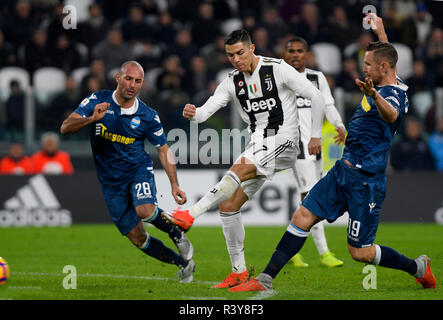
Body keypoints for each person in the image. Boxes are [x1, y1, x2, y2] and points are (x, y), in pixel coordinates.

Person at [230, 14, 436, 292]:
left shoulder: (392, 95)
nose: (363, 69)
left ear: (383, 68)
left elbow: (392, 115)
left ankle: (418, 268)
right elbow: (387, 56)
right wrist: (381, 31)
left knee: (360, 252)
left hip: (366, 182)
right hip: (343, 170)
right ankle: (264, 279)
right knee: (301, 217)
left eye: (368, 65)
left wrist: (374, 96)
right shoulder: (388, 75)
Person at [162, 29, 326, 288]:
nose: (236, 59)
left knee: (238, 168)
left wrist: (315, 135)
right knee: (228, 206)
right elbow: (205, 112)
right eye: (230, 55)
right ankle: (239, 271)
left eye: (240, 52)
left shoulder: (278, 68)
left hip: (284, 141)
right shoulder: (231, 82)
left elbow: (316, 97)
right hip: (258, 144)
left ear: (251, 49)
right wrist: (193, 113)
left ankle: (190, 214)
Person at [60, 61, 195, 283]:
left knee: (144, 209)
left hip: (137, 170)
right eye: (129, 79)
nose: (132, 85)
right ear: (118, 78)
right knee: (137, 237)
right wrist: (92, 119)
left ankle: (175, 232)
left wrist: (174, 185)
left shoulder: (147, 115)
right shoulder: (97, 100)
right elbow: (65, 127)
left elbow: (163, 150)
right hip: (110, 181)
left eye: (138, 81)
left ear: (142, 84)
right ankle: (183, 265)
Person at [283, 36, 345, 268]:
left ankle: (291, 250)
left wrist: (339, 125)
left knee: (307, 198)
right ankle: (324, 252)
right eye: (292, 51)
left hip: (315, 146)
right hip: (295, 147)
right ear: (286, 54)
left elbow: (328, 104)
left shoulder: (316, 78)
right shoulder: (280, 79)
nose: (296, 54)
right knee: (312, 197)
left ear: (307, 54)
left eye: (300, 51)